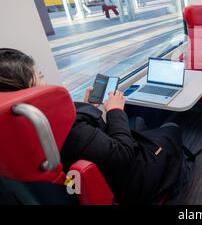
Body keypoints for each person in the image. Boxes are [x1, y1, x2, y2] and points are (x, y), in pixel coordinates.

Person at [0, 48, 191, 205]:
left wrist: (87, 108)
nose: (46, 82)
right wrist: (115, 111)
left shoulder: (15, 132)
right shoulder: (63, 129)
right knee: (171, 130)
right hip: (126, 178)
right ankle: (177, 178)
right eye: (40, 76)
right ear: (27, 88)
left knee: (139, 123)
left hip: (101, 165)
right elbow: (123, 156)